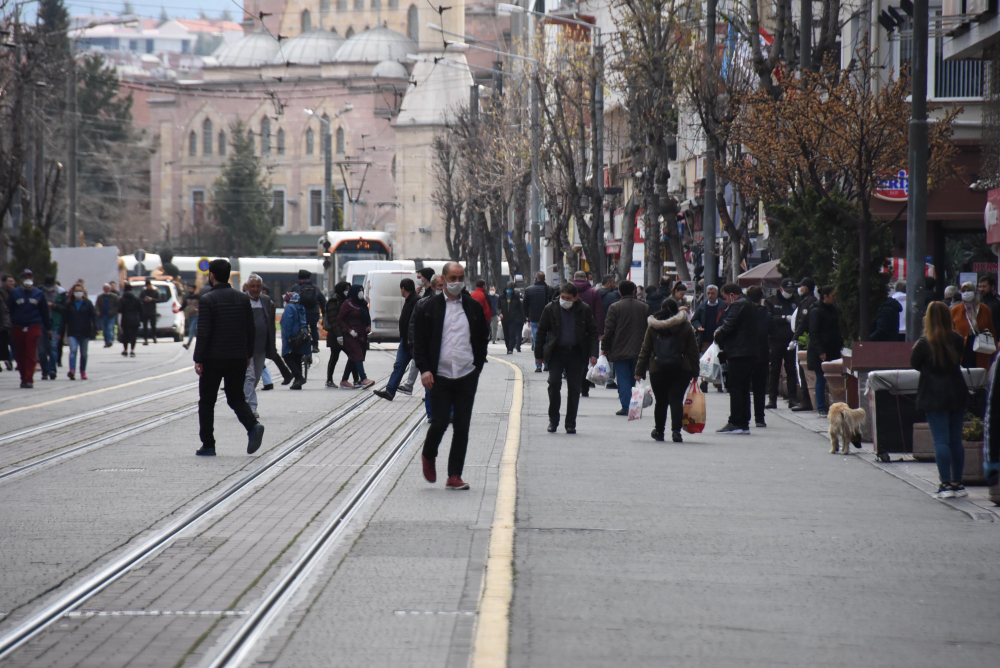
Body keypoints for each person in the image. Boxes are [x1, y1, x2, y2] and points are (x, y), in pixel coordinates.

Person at [413, 261, 490, 490]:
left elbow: (481, 339)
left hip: (466, 373)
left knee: (462, 426)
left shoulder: (473, 307)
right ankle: (429, 453)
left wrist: (477, 367)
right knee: (439, 422)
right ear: (443, 279)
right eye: (452, 278)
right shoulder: (429, 307)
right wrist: (425, 369)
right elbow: (419, 343)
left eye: (460, 277)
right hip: (439, 375)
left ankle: (454, 475)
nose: (457, 282)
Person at [193, 258, 265, 457]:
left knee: (207, 402)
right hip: (237, 357)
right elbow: (250, 329)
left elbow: (204, 332)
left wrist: (198, 358)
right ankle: (252, 427)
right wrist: (248, 355)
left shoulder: (208, 300)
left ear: (212, 276)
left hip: (213, 359)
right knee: (236, 397)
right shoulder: (243, 299)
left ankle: (208, 444)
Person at [911, 301, 970, 500]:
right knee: (955, 440)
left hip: (934, 394)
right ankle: (958, 483)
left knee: (941, 441)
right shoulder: (957, 339)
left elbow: (915, 364)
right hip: (957, 392)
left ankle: (944, 484)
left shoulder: (924, 342)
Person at [535, 282, 599, 434]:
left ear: (576, 298)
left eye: (568, 298)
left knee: (574, 389)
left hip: (576, 353)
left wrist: (593, 353)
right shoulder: (551, 308)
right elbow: (541, 332)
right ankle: (553, 420)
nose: (564, 300)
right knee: (554, 384)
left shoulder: (584, 310)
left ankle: (570, 423)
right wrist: (539, 355)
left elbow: (593, 332)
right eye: (562, 297)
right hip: (556, 352)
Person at [635, 299, 699, 442]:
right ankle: (676, 432)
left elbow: (645, 350)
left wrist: (639, 371)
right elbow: (693, 350)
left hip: (658, 368)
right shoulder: (685, 326)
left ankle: (659, 431)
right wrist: (695, 372)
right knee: (676, 399)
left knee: (661, 401)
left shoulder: (653, 327)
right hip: (682, 368)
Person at [713, 284, 758, 434]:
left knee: (736, 387)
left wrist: (717, 335)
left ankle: (735, 421)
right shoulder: (749, 304)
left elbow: (728, 326)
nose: (725, 301)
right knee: (744, 388)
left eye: (725, 297)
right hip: (750, 352)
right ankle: (744, 422)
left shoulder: (738, 305)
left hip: (739, 353)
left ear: (732, 294)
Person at [600, 281, 649, 415]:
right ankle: (635, 404)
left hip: (619, 347)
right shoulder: (644, 307)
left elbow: (609, 330)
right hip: (640, 348)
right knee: (635, 377)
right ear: (634, 292)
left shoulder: (614, 307)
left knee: (622, 378)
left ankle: (627, 406)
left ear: (620, 292)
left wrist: (604, 347)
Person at [244, 274, 284, 414]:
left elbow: (270, 323)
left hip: (262, 346)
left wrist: (271, 345)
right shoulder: (242, 300)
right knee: (250, 376)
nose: (255, 289)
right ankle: (251, 407)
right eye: (253, 286)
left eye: (258, 286)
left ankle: (245, 400)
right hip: (246, 347)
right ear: (248, 287)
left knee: (256, 376)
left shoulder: (266, 301)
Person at [375, 278, 420, 401]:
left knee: (423, 367)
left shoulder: (416, 301)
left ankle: (431, 395)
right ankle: (390, 391)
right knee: (399, 365)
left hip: (413, 342)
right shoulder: (411, 299)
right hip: (406, 341)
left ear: (403, 289)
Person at [400, 275, 444, 397]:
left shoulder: (453, 304)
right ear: (434, 287)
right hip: (429, 352)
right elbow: (414, 326)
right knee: (430, 386)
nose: (443, 288)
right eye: (440, 285)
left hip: (446, 355)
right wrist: (413, 343)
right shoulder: (423, 304)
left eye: (444, 285)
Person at [7, 269, 51, 388]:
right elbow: (8, 310)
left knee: (30, 353)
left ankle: (29, 378)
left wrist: (48, 328)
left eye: (29, 277)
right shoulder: (15, 293)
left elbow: (44, 312)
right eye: (25, 277)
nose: (28, 279)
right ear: (21, 280)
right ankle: (23, 377)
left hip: (33, 326)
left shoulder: (38, 294)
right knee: (20, 354)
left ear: (33, 279)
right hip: (18, 326)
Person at [764, 279, 799, 409]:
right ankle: (772, 399)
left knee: (791, 370)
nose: (789, 293)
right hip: (775, 339)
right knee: (774, 370)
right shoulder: (771, 301)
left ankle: (792, 398)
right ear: (781, 289)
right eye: (787, 290)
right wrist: (785, 318)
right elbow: (769, 317)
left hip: (790, 340)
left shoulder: (796, 301)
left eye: (791, 290)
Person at [808, 285, 842, 418]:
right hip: (821, 350)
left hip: (832, 348)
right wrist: (820, 350)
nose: (834, 298)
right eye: (832, 296)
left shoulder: (832, 309)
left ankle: (833, 406)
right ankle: (821, 407)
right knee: (821, 378)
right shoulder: (816, 311)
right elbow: (814, 332)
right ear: (825, 296)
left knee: (832, 379)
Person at [571, 271, 604, 398]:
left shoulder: (569, 291)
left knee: (572, 358)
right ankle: (584, 387)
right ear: (586, 279)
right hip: (588, 330)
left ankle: (575, 384)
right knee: (585, 360)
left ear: (574, 278)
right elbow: (599, 313)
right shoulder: (594, 292)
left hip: (571, 329)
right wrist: (599, 332)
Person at [338, 284, 376, 389]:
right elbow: (340, 319)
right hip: (351, 335)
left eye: (362, 290)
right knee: (357, 354)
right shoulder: (347, 303)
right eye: (359, 291)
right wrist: (349, 330)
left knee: (353, 357)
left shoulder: (363, 303)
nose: (361, 293)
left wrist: (368, 326)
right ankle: (364, 378)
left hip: (361, 334)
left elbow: (367, 316)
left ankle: (344, 380)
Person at [951, 281, 996, 369]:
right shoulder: (955, 310)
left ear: (974, 291)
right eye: (964, 291)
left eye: (969, 290)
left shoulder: (985, 309)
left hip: (981, 348)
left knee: (979, 376)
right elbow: (951, 332)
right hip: (962, 350)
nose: (966, 293)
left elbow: (992, 331)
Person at [747, 286, 774, 428]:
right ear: (760, 299)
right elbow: (773, 332)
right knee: (759, 388)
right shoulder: (767, 315)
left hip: (745, 354)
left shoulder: (744, 313)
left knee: (744, 387)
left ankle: (744, 417)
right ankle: (759, 418)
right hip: (762, 354)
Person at [791, 278, 818, 412]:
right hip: (803, 340)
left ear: (805, 288)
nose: (799, 289)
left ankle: (806, 400)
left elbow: (803, 322)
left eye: (801, 286)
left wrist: (795, 338)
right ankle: (805, 399)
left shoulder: (809, 302)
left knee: (804, 371)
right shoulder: (806, 301)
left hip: (805, 341)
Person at [60, 283, 97, 381]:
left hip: (85, 332)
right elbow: (64, 319)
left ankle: (82, 371)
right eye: (77, 291)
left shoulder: (88, 303)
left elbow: (93, 316)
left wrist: (97, 328)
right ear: (73, 292)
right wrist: (61, 331)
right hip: (73, 331)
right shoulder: (69, 304)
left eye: (80, 291)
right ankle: (72, 370)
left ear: (83, 292)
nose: (78, 293)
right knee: (73, 350)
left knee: (84, 353)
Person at [324, 281, 357, 388]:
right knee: (334, 357)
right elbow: (333, 320)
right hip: (335, 335)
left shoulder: (348, 300)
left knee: (352, 356)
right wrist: (338, 335)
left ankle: (356, 379)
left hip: (345, 335)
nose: (347, 291)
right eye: (346, 289)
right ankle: (329, 380)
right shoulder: (334, 301)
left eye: (349, 289)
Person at [522, 271, 553, 373]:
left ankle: (538, 365)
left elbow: (525, 306)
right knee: (547, 341)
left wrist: (528, 317)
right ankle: (547, 363)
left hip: (534, 319)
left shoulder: (528, 290)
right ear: (544, 279)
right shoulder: (550, 289)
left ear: (536, 278)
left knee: (537, 341)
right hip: (547, 319)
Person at [280, 292, 310, 390]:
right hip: (302, 336)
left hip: (293, 336)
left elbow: (287, 323)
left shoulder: (289, 307)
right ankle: (298, 383)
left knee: (286, 356)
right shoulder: (301, 306)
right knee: (297, 357)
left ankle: (299, 378)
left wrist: (287, 336)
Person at [290, 269, 325, 354]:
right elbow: (322, 300)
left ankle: (300, 344)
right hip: (314, 312)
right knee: (313, 328)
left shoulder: (295, 287)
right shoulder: (315, 287)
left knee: (301, 328)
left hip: (301, 313)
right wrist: (324, 313)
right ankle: (315, 346)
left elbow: (290, 301)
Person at [39, 276, 61, 380]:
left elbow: (64, 308)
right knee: (42, 349)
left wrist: (54, 306)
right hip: (42, 322)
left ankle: (52, 369)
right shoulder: (40, 292)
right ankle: (45, 370)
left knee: (52, 347)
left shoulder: (60, 293)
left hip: (54, 322)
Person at [498, 281, 525, 354]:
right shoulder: (501, 297)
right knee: (506, 333)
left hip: (513, 318)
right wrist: (499, 313)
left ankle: (510, 348)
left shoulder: (516, 298)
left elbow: (520, 308)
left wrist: (523, 318)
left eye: (510, 288)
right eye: (508, 288)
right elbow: (497, 307)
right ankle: (508, 346)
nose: (509, 289)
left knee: (512, 333)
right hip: (504, 318)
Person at [118, 283, 142, 357]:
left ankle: (125, 350)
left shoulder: (122, 299)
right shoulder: (136, 298)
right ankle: (132, 350)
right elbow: (141, 309)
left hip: (125, 318)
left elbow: (119, 309)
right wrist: (141, 318)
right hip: (134, 318)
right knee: (133, 335)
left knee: (125, 335)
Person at [95, 283, 120, 348]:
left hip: (111, 315)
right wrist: (97, 311)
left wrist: (114, 311)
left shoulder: (114, 296)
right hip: (103, 315)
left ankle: (110, 340)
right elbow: (97, 305)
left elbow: (118, 305)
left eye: (107, 288)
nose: (106, 290)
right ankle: (106, 341)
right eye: (105, 288)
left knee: (110, 328)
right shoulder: (100, 297)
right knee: (104, 329)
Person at [140, 278, 159, 344]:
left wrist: (152, 299)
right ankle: (145, 339)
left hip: (152, 311)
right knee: (145, 326)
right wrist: (144, 300)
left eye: (149, 285)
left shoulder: (155, 291)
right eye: (147, 286)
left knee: (153, 325)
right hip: (145, 311)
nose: (149, 287)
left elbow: (159, 299)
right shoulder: (143, 292)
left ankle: (154, 337)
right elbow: (140, 299)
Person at [183, 284, 199, 350]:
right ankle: (202, 344)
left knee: (191, 329)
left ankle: (188, 344)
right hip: (190, 316)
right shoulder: (187, 297)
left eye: (191, 289)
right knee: (195, 331)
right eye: (189, 289)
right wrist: (178, 310)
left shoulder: (198, 297)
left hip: (196, 315)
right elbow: (184, 305)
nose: (190, 290)